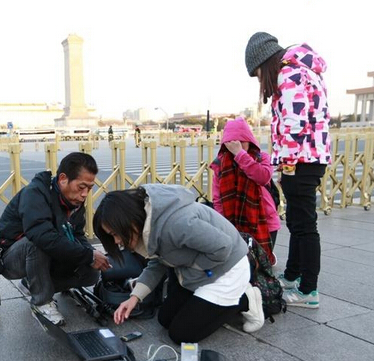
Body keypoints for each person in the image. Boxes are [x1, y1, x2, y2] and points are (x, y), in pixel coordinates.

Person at [93, 184, 266, 343]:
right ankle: (213, 306)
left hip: (227, 269)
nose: (116, 242)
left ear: (128, 220)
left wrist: (193, 267)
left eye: (116, 234)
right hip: (198, 271)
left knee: (182, 334)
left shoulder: (176, 224)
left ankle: (246, 299)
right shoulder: (147, 223)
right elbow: (157, 264)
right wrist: (134, 298)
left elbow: (223, 247)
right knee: (165, 319)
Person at [245, 32, 331, 308]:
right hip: (311, 157)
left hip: (301, 160)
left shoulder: (289, 75)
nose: (261, 80)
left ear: (266, 62)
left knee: (304, 225)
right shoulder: (305, 72)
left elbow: (294, 125)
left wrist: (283, 164)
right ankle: (293, 276)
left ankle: (309, 290)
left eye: (258, 73)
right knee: (297, 221)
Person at [0, 152, 111, 325]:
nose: (85, 194)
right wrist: (87, 255)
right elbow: (42, 236)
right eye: (81, 187)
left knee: (91, 273)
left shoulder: (74, 201)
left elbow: (77, 234)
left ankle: (31, 284)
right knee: (38, 242)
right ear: (63, 179)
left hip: (46, 254)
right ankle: (41, 302)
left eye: (90, 188)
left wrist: (91, 254)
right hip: (11, 258)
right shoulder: (35, 194)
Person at [210, 117, 281, 264]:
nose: (238, 146)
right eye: (233, 142)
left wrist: (240, 155)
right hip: (233, 223)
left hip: (265, 222)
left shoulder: (262, 158)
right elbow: (217, 199)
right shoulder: (220, 164)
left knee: (262, 264)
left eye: (242, 141)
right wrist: (223, 225)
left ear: (250, 140)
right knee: (240, 267)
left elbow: (263, 177)